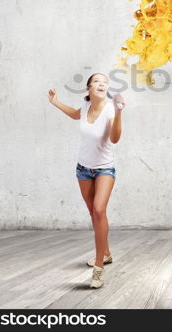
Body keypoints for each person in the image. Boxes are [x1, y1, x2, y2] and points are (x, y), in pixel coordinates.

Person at [47, 73, 126, 289]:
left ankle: (98, 268)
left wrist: (119, 112)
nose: (102, 84)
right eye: (97, 81)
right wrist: (55, 102)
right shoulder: (84, 108)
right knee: (94, 214)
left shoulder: (111, 109)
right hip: (83, 170)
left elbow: (115, 138)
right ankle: (107, 253)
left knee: (99, 211)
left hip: (104, 169)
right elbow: (74, 114)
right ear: (88, 88)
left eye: (105, 82)